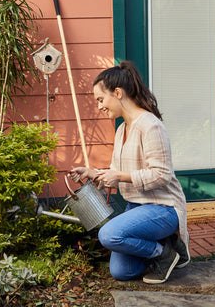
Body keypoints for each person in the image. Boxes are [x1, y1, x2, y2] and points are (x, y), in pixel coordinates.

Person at [70, 60, 189, 284]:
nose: (99, 106)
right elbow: (118, 172)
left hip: (164, 208)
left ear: (118, 93)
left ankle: (165, 254)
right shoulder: (122, 128)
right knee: (121, 272)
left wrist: (120, 176)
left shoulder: (150, 125)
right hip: (137, 207)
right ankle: (164, 248)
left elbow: (161, 175)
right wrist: (94, 173)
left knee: (109, 235)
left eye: (101, 99)